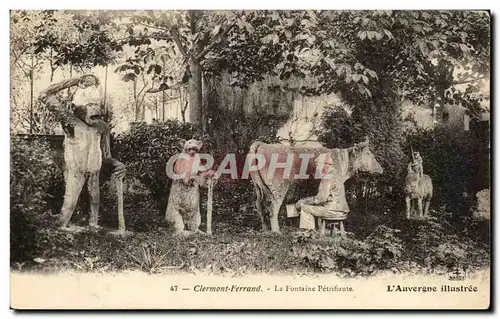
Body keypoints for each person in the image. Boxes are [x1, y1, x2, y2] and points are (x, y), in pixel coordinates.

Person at [294, 153, 349, 231]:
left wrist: (304, 201)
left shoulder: (327, 178)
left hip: (332, 210)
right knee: (313, 208)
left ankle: (308, 233)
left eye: (318, 165)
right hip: (341, 210)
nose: (317, 169)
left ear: (326, 165)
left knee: (304, 208)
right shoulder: (336, 175)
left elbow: (321, 199)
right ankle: (314, 230)